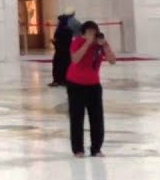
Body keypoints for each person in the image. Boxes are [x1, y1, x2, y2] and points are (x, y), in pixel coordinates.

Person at [66, 20, 117, 157]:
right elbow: (75, 59)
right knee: (77, 117)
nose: (92, 35)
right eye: (89, 32)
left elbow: (112, 60)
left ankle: (96, 148)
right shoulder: (78, 41)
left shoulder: (99, 44)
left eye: (94, 32)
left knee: (97, 118)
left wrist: (105, 45)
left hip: (93, 85)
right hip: (76, 84)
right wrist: (87, 44)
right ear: (83, 34)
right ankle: (78, 149)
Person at [49, 14, 72, 87]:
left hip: (60, 52)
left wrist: (53, 42)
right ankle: (65, 80)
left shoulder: (59, 30)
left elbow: (58, 42)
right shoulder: (69, 30)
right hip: (67, 52)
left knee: (57, 66)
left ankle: (57, 81)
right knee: (66, 66)